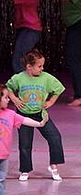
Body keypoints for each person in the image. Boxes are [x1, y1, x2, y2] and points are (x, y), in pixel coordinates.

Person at [0, 0, 68, 73]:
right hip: (26, 28)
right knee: (23, 61)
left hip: (30, 29)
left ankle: (24, 88)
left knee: (19, 62)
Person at [6, 49, 65, 182]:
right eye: (39, 66)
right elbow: (8, 88)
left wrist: (50, 101)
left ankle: (53, 166)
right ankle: (25, 170)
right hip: (24, 116)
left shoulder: (46, 78)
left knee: (55, 137)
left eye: (42, 66)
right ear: (29, 67)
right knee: (25, 144)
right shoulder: (19, 78)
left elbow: (58, 89)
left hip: (40, 114)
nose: (42, 68)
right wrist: (14, 99)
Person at [0, 84, 48, 195]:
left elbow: (24, 120)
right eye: (5, 97)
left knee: (1, 179)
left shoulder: (10, 114)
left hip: (3, 154)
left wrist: (40, 123)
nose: (8, 99)